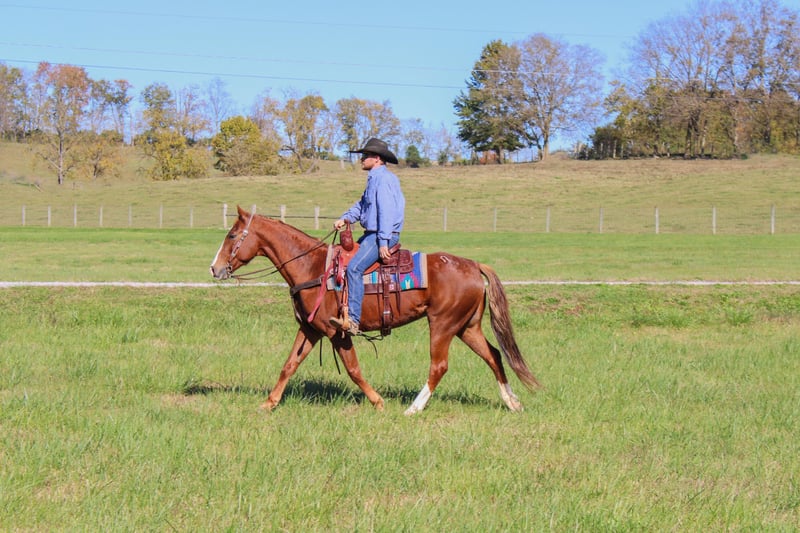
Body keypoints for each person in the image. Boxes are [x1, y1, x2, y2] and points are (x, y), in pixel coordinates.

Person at [330, 138, 405, 335]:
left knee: (354, 268)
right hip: (373, 234)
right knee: (342, 259)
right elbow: (362, 205)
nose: (361, 159)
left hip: (382, 235)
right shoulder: (374, 179)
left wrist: (383, 242)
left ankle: (353, 320)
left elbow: (386, 212)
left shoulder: (385, 180)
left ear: (377, 159)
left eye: (365, 156)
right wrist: (345, 218)